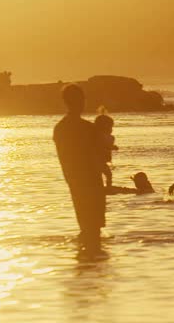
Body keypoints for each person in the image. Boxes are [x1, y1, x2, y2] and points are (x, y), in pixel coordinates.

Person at [53, 84, 106, 248]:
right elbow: (100, 157)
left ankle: (87, 259)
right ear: (80, 101)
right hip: (91, 180)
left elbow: (65, 159)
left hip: (74, 180)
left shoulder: (61, 128)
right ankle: (94, 261)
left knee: (86, 226)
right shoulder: (88, 128)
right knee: (93, 228)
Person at [94, 113, 117, 187]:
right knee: (104, 174)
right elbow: (101, 146)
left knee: (108, 174)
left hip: (103, 161)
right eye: (110, 127)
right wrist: (111, 147)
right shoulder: (98, 136)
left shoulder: (109, 137)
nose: (111, 129)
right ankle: (103, 187)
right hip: (97, 160)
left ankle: (108, 186)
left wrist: (112, 146)